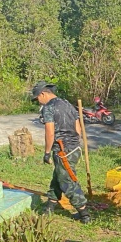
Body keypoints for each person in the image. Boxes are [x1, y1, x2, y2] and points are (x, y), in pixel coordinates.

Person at [32, 81, 91, 224]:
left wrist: (47, 152)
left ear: (43, 94)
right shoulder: (67, 104)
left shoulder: (49, 107)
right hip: (74, 149)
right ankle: (50, 206)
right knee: (58, 176)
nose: (37, 102)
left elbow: (50, 132)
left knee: (66, 181)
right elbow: (77, 128)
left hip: (62, 150)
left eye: (37, 98)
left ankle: (84, 213)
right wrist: (75, 144)